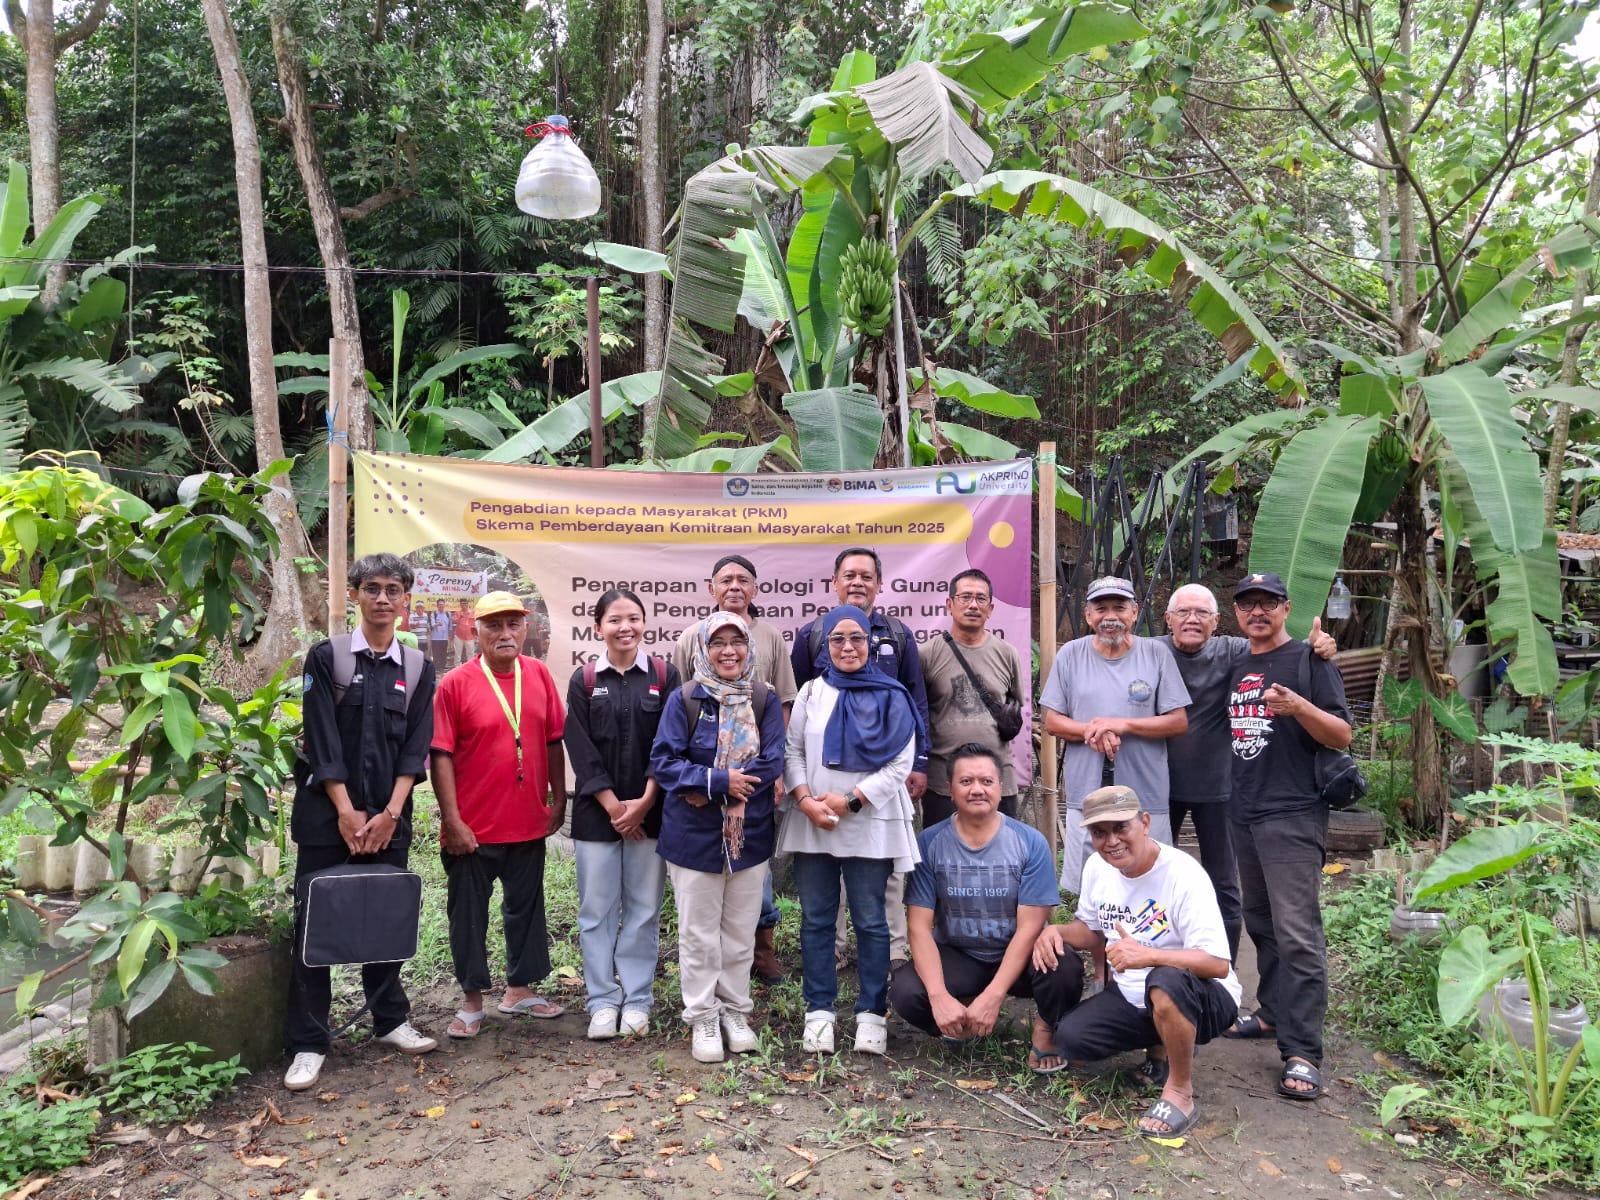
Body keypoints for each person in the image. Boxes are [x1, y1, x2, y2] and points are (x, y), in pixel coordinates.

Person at [284, 553, 438, 1092]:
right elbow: (321, 737)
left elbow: (416, 748)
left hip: (389, 819)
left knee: (385, 917)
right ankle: (308, 1042)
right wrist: (347, 810)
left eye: (392, 589)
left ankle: (390, 1019)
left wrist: (391, 813)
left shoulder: (417, 668)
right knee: (313, 924)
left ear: (405, 599)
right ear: (353, 594)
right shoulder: (326, 659)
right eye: (371, 588)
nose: (381, 598)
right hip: (328, 819)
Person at [1032, 785, 1241, 1139]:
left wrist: (1149, 955)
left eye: (1121, 828)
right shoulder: (1098, 867)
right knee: (1072, 1038)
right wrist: (1057, 933)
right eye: (1100, 832)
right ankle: (1161, 1047)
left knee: (1165, 980)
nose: (1111, 841)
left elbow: (1217, 963)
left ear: (1145, 823)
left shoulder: (1183, 874)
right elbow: (1090, 931)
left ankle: (1179, 1091)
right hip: (1134, 994)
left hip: (1205, 997)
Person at [1220, 571, 1352, 1102]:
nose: (1258, 612)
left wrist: (1299, 706)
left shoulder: (1309, 660)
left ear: (1286, 608)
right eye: (1248, 604)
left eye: (1268, 603)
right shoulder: (1234, 661)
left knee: (1298, 932)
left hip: (1293, 813)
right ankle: (1273, 1014)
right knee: (1262, 922)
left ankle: (1303, 1051)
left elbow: (1341, 733)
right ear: (1237, 615)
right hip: (1244, 812)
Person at [1161, 584, 1336, 959]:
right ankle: (1164, 962)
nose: (1192, 620)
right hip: (1161, 788)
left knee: (1225, 884)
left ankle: (1223, 972)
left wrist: (1321, 647)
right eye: (1184, 612)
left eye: (1202, 613)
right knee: (1159, 876)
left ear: (1218, 621)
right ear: (1168, 619)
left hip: (1222, 788)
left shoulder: (1235, 651)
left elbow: (1279, 645)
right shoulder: (1149, 651)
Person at [779, 604, 920, 1055]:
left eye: (856, 638)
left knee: (872, 922)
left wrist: (852, 799)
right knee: (818, 920)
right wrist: (805, 800)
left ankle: (870, 1013)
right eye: (837, 639)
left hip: (870, 821)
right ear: (825, 646)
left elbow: (900, 761)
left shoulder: (893, 694)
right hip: (814, 820)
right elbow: (793, 751)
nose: (847, 647)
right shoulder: (810, 693)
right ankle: (819, 1010)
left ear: (870, 643)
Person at [431, 591, 568, 1040]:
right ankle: (471, 1001)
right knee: (468, 913)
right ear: (476, 630)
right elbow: (441, 755)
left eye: (513, 624)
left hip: (527, 819)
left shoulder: (540, 675)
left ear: (525, 629)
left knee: (526, 907)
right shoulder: (455, 683)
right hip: (473, 825)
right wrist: (452, 821)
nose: (505, 633)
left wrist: (559, 796)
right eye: (494, 625)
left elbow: (552, 740)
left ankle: (519, 989)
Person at [650, 612, 785, 1063]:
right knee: (699, 932)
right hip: (693, 836)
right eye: (718, 643)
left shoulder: (764, 698)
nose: (728, 651)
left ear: (750, 648)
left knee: (741, 930)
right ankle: (703, 1015)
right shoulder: (686, 699)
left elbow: (773, 761)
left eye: (737, 642)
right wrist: (716, 781)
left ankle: (734, 1010)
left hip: (750, 832)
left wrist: (724, 785)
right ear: (702, 651)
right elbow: (665, 762)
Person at [890, 744, 1070, 1071]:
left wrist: (995, 995)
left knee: (1064, 968)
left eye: (987, 781)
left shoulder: (1029, 842)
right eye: (966, 781)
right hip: (960, 954)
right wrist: (938, 997)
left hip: (1018, 951)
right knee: (907, 991)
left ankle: (1045, 1032)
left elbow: (1030, 927)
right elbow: (918, 926)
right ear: (950, 789)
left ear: (1001, 788)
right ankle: (961, 1015)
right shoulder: (930, 843)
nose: (977, 789)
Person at [790, 548, 930, 965]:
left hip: (883, 775)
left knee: (882, 874)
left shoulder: (899, 635)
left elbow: (915, 699)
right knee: (824, 872)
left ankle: (891, 952)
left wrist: (918, 763)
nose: (858, 583)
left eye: (866, 576)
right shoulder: (812, 635)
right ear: (835, 582)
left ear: (879, 585)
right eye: (849, 575)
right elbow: (803, 699)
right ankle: (832, 951)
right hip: (823, 782)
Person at [672, 553, 798, 983]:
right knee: (705, 877)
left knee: (751, 867)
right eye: (725, 580)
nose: (734, 587)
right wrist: (699, 778)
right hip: (703, 786)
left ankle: (760, 952)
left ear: (755, 588)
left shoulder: (771, 639)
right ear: (711, 588)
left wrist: (774, 772)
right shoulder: (693, 635)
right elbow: (681, 701)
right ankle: (707, 972)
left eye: (744, 579)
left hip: (755, 783)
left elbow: (780, 704)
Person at [564, 589, 679, 1040]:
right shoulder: (586, 679)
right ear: (599, 627)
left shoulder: (665, 676)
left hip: (650, 814)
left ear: (645, 624)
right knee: (596, 911)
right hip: (598, 816)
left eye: (633, 618)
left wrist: (646, 802)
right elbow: (581, 747)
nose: (625, 627)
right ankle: (601, 1000)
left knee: (644, 909)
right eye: (615, 620)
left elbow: (669, 744)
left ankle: (636, 999)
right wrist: (614, 806)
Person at [1039, 576, 1190, 893]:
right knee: (1091, 892)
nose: (1111, 616)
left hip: (1145, 795)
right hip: (1088, 795)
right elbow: (1052, 721)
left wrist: (1122, 724)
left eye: (1119, 607)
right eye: (1101, 608)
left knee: (1151, 888)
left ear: (1134, 612)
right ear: (1088, 615)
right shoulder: (1071, 655)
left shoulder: (1156, 655)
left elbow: (1177, 722)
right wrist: (1093, 730)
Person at [918, 569, 1026, 826]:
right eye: (965, 597)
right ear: (949, 604)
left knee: (1004, 854)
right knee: (941, 856)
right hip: (943, 780)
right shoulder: (926, 654)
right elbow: (917, 715)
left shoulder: (1007, 653)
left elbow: (1014, 707)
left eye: (980, 599)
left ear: (990, 608)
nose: (973, 605)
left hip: (997, 776)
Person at [452, 597, 477, 669]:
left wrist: (476, 635)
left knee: (470, 653)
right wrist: (460, 617)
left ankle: (470, 667)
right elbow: (453, 621)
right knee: (457, 653)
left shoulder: (473, 612)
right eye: (462, 604)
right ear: (460, 605)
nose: (464, 605)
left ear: (468, 604)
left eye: (465, 603)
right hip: (459, 636)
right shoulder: (457, 613)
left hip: (470, 636)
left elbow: (476, 623)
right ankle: (457, 667)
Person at [428, 598, 451, 667]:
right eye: (439, 605)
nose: (441, 606)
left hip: (445, 638)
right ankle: (436, 667)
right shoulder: (434, 613)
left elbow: (450, 625)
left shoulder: (448, 613)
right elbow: (432, 624)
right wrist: (437, 624)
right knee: (436, 654)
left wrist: (451, 633)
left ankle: (442, 667)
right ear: (437, 605)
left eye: (442, 604)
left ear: (444, 605)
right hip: (435, 638)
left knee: (444, 653)